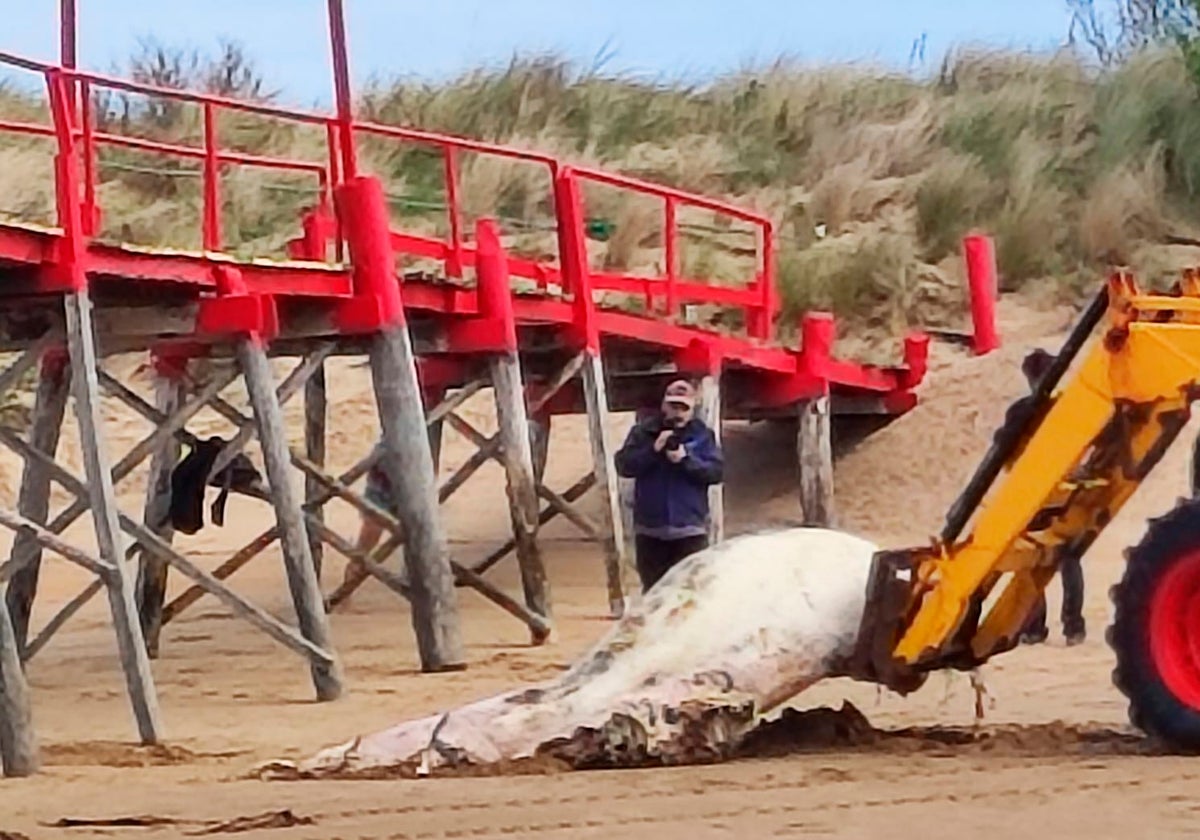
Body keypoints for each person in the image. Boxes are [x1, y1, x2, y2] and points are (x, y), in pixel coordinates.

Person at [1003, 348, 1085, 646]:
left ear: (1029, 377)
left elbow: (1003, 447)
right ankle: (1074, 627)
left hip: (1034, 492)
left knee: (1033, 560)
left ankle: (1034, 627)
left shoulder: (1021, 411)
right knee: (1070, 559)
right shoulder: (1070, 408)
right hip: (1067, 491)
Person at [614, 379, 724, 592]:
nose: (678, 412)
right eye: (673, 405)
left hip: (690, 531)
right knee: (653, 593)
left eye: (683, 407)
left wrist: (685, 459)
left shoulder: (702, 435)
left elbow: (716, 473)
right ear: (664, 405)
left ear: (692, 409)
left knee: (690, 593)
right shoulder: (643, 432)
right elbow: (624, 466)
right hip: (650, 531)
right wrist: (653, 450)